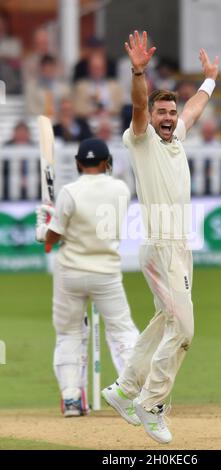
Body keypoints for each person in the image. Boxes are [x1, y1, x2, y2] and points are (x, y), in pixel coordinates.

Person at [102, 31, 218, 444]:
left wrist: (209, 80)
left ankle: (124, 388)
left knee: (166, 321)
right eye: (161, 112)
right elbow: (137, 104)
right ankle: (151, 403)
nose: (168, 117)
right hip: (159, 246)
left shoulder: (177, 138)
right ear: (151, 118)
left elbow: (194, 108)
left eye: (170, 112)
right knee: (184, 329)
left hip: (180, 248)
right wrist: (138, 71)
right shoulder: (141, 139)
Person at [35, 138, 139, 417]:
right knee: (123, 332)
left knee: (69, 333)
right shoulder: (121, 189)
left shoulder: (70, 192)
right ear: (107, 162)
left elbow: (54, 237)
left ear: (79, 163)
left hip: (71, 272)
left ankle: (71, 399)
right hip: (106, 271)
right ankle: (138, 394)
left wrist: (43, 227)